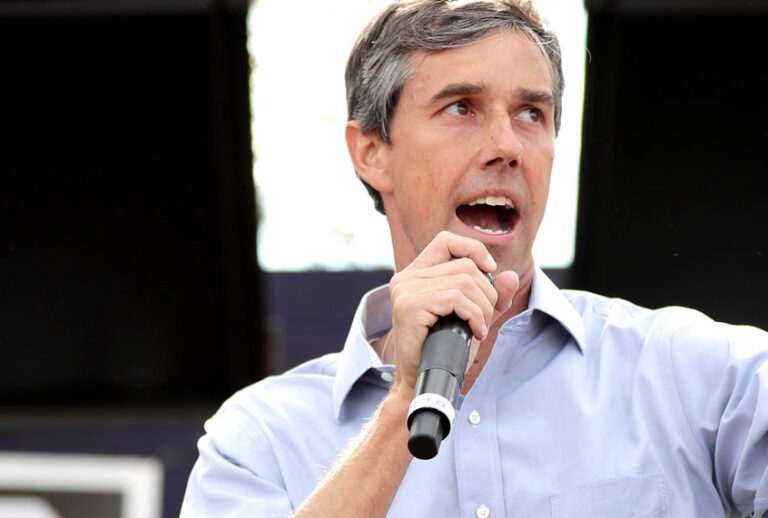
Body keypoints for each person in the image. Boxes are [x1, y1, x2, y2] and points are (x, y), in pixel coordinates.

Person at [180, 1, 768, 516]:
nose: (507, 147)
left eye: (531, 113)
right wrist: (405, 401)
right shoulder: (261, 439)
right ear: (371, 154)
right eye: (462, 107)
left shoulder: (693, 376)